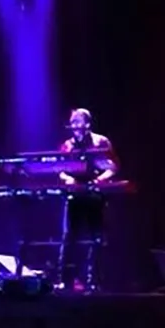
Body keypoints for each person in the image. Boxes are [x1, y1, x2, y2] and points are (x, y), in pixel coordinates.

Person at [57, 108, 118, 291]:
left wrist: (99, 179)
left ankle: (95, 280)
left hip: (94, 195)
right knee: (69, 238)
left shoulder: (101, 141)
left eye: (78, 121)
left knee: (97, 238)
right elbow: (60, 168)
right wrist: (67, 179)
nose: (75, 125)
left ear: (88, 124)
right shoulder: (67, 145)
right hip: (74, 195)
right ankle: (65, 280)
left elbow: (113, 167)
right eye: (72, 122)